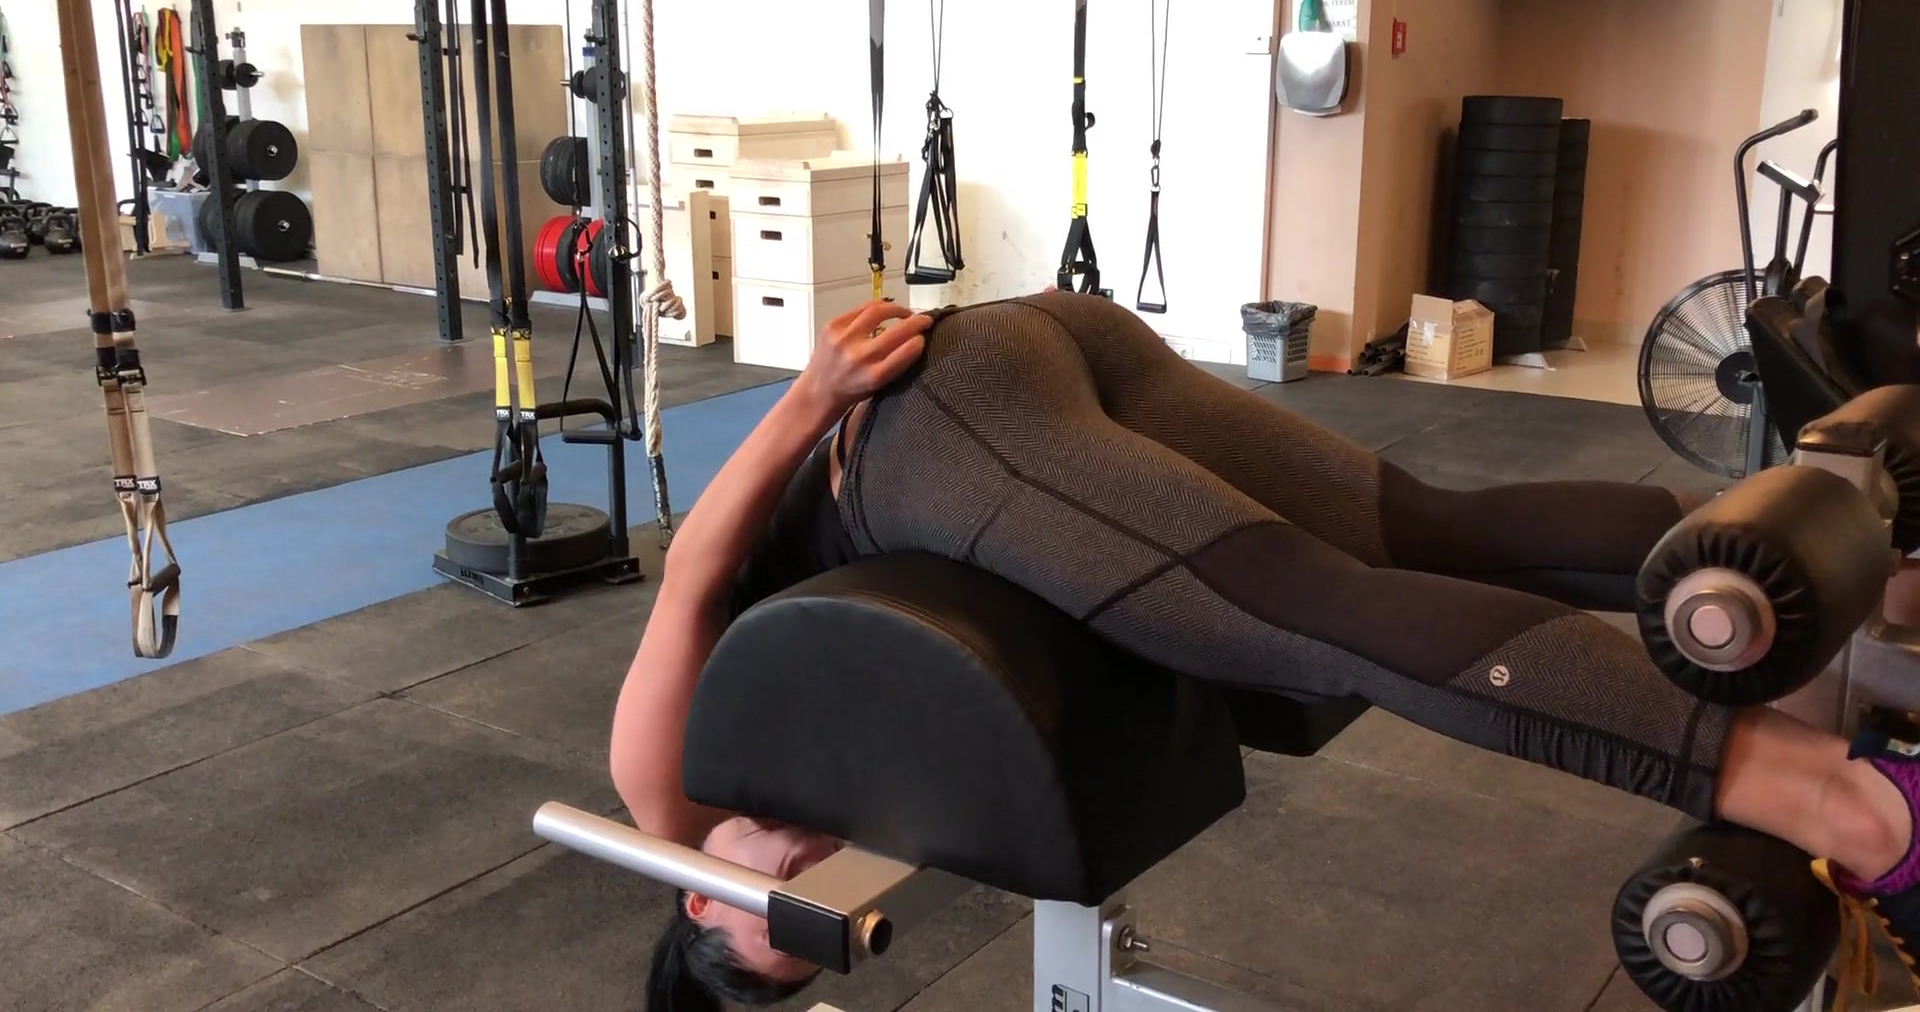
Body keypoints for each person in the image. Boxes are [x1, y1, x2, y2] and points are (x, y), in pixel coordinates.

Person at [613, 291, 1920, 1010]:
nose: (813, 867)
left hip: (932, 429)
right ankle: (1848, 561)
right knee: (1426, 530)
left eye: (778, 898)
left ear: (694, 895)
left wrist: (811, 397)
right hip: (1049, 349)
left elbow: (691, 573)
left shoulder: (664, 794)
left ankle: (1858, 809)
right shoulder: (831, 818)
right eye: (822, 919)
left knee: (1321, 613)